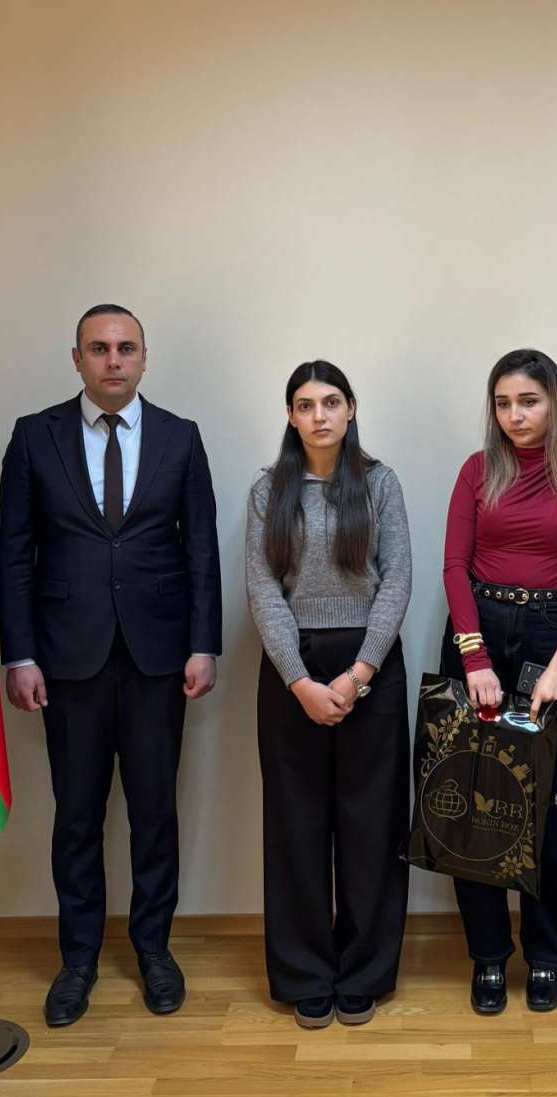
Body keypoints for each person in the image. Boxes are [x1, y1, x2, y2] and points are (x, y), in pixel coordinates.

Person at [0, 303, 222, 1026]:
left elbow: (202, 548)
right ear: (77, 359)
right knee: (77, 816)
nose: (113, 360)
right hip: (68, 659)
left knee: (155, 813)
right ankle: (78, 960)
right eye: (99, 348)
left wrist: (204, 642)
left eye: (126, 348)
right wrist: (20, 653)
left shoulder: (181, 437)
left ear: (144, 357)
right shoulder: (34, 437)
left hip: (159, 658)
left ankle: (154, 949)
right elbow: (14, 554)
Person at [440, 348, 557, 1015]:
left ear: (554, 403)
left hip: (554, 640)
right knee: (473, 807)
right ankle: (488, 955)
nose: (515, 415)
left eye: (528, 401)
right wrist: (474, 658)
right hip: (479, 634)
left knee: (549, 808)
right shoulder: (476, 471)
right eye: (504, 403)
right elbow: (454, 567)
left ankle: (546, 955)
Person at [246, 361, 412, 1029]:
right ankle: (305, 973)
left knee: (372, 825)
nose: (320, 415)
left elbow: (397, 580)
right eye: (306, 404)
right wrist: (300, 680)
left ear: (351, 409)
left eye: (331, 402)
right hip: (293, 671)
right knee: (297, 824)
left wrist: (357, 674)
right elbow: (262, 588)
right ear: (291, 416)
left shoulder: (380, 483)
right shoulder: (269, 489)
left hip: (370, 663)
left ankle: (364, 971)